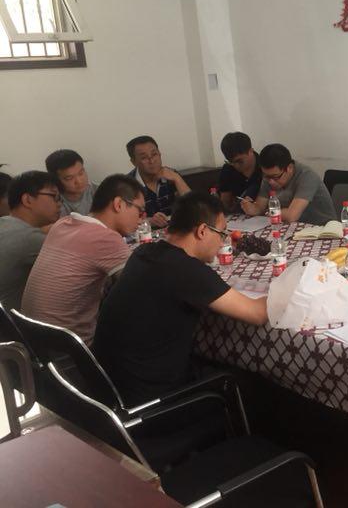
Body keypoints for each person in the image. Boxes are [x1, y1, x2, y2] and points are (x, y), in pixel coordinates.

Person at [93, 192, 268, 405]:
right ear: (202, 231)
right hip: (151, 401)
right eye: (222, 233)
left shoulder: (144, 252)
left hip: (107, 390)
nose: (224, 241)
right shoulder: (186, 270)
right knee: (251, 381)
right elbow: (257, 314)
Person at [22, 175, 143, 345]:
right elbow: (142, 289)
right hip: (73, 349)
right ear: (119, 204)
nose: (141, 219)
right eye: (139, 211)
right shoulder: (104, 238)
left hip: (35, 341)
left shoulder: (63, 224)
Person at [0, 171, 61, 310]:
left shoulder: (5, 223)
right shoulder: (31, 239)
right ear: (27, 200)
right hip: (8, 322)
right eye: (54, 197)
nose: (59, 204)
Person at [241, 144, 336, 225]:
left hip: (322, 230)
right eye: (266, 176)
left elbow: (292, 216)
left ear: (289, 168)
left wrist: (266, 212)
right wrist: (252, 208)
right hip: (292, 227)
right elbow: (260, 207)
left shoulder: (307, 176)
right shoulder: (270, 176)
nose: (270, 182)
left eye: (275, 177)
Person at [126, 135, 190, 229]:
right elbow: (125, 221)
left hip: (175, 230)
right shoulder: (127, 185)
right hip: (145, 234)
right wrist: (149, 221)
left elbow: (194, 206)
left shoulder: (172, 175)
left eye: (154, 154)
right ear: (134, 162)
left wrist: (178, 179)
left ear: (160, 154)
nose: (151, 161)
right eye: (144, 157)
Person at [217, 132, 262, 213]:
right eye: (231, 162)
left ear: (251, 151)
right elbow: (225, 203)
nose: (235, 166)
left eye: (239, 161)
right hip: (238, 216)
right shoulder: (228, 169)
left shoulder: (264, 167)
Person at [45, 149, 98, 217]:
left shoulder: (99, 191)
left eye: (81, 173)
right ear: (56, 180)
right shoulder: (51, 201)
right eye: (69, 178)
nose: (79, 181)